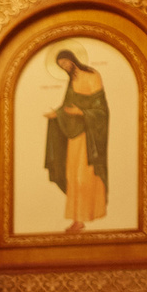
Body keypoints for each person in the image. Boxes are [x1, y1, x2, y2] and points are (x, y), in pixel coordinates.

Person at [42, 50, 109, 233]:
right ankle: (77, 220)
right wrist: (56, 114)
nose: (65, 67)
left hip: (90, 138)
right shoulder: (72, 82)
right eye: (61, 66)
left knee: (84, 176)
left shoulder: (92, 76)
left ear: (73, 60)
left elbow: (101, 110)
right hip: (74, 137)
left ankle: (91, 213)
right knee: (73, 176)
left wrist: (82, 113)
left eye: (65, 63)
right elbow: (67, 107)